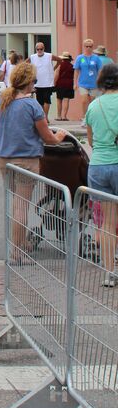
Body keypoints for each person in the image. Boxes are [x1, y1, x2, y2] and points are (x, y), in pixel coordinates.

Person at [0, 61, 66, 257]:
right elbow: (48, 138)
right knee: (21, 205)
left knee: (14, 202)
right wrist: (59, 136)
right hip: (25, 159)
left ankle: (20, 242)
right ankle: (16, 252)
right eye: (34, 80)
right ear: (28, 82)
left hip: (3, 158)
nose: (35, 83)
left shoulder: (1, 100)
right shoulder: (31, 104)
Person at [85, 63, 118, 286]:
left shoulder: (94, 106)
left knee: (107, 222)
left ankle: (109, 272)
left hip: (98, 166)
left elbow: (90, 141)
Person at [74, 38, 102, 127]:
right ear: (84, 47)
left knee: (92, 102)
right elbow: (76, 71)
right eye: (86, 46)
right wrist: (75, 83)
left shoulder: (96, 58)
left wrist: (100, 81)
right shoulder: (80, 58)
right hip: (83, 83)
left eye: (90, 46)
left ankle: (91, 119)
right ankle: (85, 118)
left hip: (94, 83)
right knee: (84, 100)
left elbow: (100, 70)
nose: (88, 48)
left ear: (92, 47)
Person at [54, 53, 75, 121]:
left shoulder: (60, 65)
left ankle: (59, 116)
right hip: (69, 84)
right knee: (66, 100)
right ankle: (64, 116)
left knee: (59, 100)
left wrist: (54, 83)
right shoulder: (72, 66)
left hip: (60, 84)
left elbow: (56, 75)